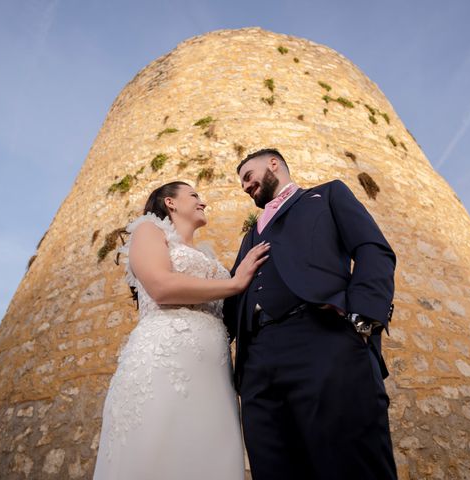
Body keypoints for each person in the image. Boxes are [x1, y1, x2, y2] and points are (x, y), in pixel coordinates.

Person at [224, 149, 398, 480]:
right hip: (257, 363)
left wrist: (362, 315)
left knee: (353, 463)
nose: (245, 186)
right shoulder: (250, 237)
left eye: (248, 175)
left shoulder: (329, 194)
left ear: (274, 164)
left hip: (323, 338)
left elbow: (372, 248)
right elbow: (235, 291)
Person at [93, 181, 269, 480]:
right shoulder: (149, 231)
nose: (203, 202)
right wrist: (235, 283)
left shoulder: (206, 255)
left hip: (214, 371)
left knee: (209, 457)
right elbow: (161, 287)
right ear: (170, 202)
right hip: (165, 360)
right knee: (160, 451)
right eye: (194, 196)